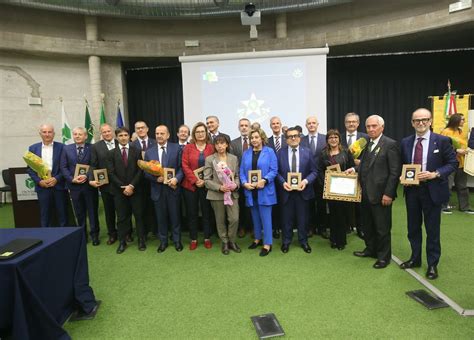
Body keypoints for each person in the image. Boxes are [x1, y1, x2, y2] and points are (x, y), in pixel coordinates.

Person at [400, 108, 458, 280]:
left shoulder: (441, 141)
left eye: (424, 119)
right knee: (413, 228)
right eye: (417, 120)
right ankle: (415, 258)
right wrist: (402, 177)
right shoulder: (405, 142)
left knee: (432, 230)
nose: (421, 123)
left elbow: (453, 163)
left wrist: (436, 173)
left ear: (430, 121)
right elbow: (402, 165)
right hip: (412, 191)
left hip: (433, 190)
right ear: (412, 123)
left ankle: (432, 264)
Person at [351, 115, 401, 269]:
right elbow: (364, 165)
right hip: (365, 193)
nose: (371, 129)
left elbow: (394, 172)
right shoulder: (367, 144)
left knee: (382, 228)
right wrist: (353, 169)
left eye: (374, 126)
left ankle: (384, 257)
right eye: (368, 127)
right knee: (368, 225)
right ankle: (371, 249)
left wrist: (389, 194)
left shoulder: (390, 144)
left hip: (381, 196)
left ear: (382, 127)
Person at [277, 127, 317, 253]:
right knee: (286, 219)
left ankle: (303, 241)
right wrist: (283, 182)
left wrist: (305, 181)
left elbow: (314, 171)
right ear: (286, 139)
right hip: (286, 192)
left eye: (295, 136)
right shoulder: (280, 153)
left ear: (300, 137)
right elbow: (276, 172)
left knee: (303, 219)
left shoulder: (308, 152)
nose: (293, 138)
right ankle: (286, 241)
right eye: (290, 136)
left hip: (303, 192)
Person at [144, 125, 184, 253]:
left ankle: (177, 241)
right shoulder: (149, 152)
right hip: (157, 190)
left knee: (175, 216)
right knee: (160, 217)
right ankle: (163, 242)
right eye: (157, 133)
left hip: (173, 189)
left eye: (162, 133)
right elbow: (145, 172)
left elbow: (181, 168)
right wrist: (156, 179)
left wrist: (176, 179)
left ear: (168, 135)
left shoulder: (177, 148)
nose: (159, 136)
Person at [107, 127, 146, 254]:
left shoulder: (136, 150)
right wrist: (122, 187)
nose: (123, 137)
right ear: (116, 137)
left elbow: (140, 170)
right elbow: (111, 173)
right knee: (122, 218)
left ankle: (141, 240)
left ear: (129, 137)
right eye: (120, 135)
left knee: (139, 216)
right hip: (119, 192)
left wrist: (131, 186)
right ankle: (122, 242)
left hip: (135, 190)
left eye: (125, 135)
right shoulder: (111, 153)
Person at [240, 128, 278, 256]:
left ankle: (267, 244)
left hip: (265, 190)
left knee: (266, 219)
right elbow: (241, 172)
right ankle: (257, 239)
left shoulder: (270, 152)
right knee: (255, 217)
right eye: (252, 138)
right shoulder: (246, 153)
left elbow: (274, 170)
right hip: (251, 191)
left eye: (256, 137)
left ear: (262, 138)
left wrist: (265, 180)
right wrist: (244, 183)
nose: (254, 140)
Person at [60, 127, 100, 245]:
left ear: (85, 136)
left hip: (89, 186)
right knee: (79, 212)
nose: (77, 136)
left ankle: (95, 235)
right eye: (75, 134)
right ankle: (83, 235)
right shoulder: (66, 149)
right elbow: (63, 167)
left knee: (92, 211)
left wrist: (87, 177)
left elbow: (94, 164)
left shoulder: (92, 148)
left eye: (80, 134)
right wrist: (72, 179)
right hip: (75, 187)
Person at [317, 129, 355, 250]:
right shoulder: (323, 153)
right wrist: (326, 183)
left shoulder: (345, 151)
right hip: (330, 189)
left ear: (339, 139)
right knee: (332, 214)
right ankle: (333, 239)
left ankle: (341, 240)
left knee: (342, 214)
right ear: (327, 140)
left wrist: (348, 174)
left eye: (335, 137)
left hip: (344, 188)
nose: (333, 140)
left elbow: (352, 166)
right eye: (331, 138)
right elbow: (319, 170)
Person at [204, 135, 241, 255]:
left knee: (234, 218)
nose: (220, 146)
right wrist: (220, 187)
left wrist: (235, 184)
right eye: (217, 143)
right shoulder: (210, 159)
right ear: (214, 146)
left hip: (232, 194)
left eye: (222, 143)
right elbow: (207, 179)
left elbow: (236, 176)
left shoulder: (233, 158)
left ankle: (232, 240)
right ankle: (224, 242)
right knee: (220, 220)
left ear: (227, 145)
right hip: (216, 195)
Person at [181, 122, 214, 250]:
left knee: (207, 213)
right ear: (194, 134)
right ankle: (193, 238)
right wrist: (195, 180)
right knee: (192, 213)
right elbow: (184, 165)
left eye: (202, 131)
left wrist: (205, 181)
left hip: (207, 186)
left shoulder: (211, 148)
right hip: (190, 186)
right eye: (198, 132)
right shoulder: (188, 148)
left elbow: (214, 165)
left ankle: (207, 238)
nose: (200, 134)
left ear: (206, 133)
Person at [27, 124, 68, 227]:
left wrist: (56, 178)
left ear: (53, 134)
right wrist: (39, 181)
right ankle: (46, 237)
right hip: (42, 187)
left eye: (49, 132)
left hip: (59, 186)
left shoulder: (62, 147)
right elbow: (30, 169)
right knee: (45, 214)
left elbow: (66, 167)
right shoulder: (33, 148)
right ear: (40, 133)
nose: (47, 134)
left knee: (62, 214)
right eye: (44, 132)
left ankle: (63, 236)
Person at [341, 112, 368, 238]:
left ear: (358, 123)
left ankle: (360, 227)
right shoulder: (338, 138)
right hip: (344, 176)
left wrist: (360, 163)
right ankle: (346, 226)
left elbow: (371, 158)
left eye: (353, 122)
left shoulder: (366, 138)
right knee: (345, 202)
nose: (351, 124)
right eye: (348, 122)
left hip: (360, 175)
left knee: (359, 203)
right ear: (345, 123)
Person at [89, 123, 118, 245]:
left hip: (121, 183)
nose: (106, 133)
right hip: (106, 184)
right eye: (104, 132)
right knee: (109, 210)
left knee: (123, 211)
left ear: (113, 131)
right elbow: (93, 165)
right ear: (101, 133)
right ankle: (112, 234)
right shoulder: (96, 147)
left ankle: (126, 233)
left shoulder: (120, 142)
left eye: (108, 131)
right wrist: (91, 179)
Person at [440, 113, 474, 214]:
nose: (464, 121)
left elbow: (465, 144)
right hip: (449, 163)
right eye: (462, 119)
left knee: (462, 186)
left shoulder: (461, 132)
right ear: (456, 120)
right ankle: (443, 206)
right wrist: (456, 151)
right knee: (447, 185)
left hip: (461, 163)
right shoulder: (445, 132)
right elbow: (442, 147)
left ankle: (465, 207)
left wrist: (466, 150)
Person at [301, 116, 327, 238]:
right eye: (309, 123)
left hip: (322, 176)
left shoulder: (325, 139)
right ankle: (310, 227)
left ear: (318, 124)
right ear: (306, 126)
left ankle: (322, 228)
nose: (311, 125)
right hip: (307, 177)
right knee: (309, 204)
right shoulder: (301, 140)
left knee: (321, 203)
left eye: (313, 123)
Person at [131, 120, 158, 237]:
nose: (140, 130)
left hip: (154, 181)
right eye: (138, 128)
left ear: (147, 129)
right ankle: (143, 231)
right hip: (138, 182)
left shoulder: (155, 142)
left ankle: (155, 229)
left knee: (154, 207)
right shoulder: (131, 145)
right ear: (135, 131)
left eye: (142, 128)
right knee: (140, 208)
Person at [230, 118, 253, 238]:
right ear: (239, 128)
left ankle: (253, 227)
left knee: (253, 204)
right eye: (241, 126)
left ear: (250, 127)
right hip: (239, 179)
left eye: (246, 125)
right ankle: (242, 227)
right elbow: (233, 163)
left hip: (254, 180)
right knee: (241, 204)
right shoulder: (233, 143)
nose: (244, 127)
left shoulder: (255, 141)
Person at [266, 116, 286, 239]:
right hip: (271, 178)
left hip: (285, 178)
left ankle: (284, 227)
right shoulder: (266, 142)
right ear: (270, 126)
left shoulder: (287, 139)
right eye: (273, 124)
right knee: (274, 205)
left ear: (281, 124)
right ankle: (275, 228)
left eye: (277, 123)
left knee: (284, 204)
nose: (275, 125)